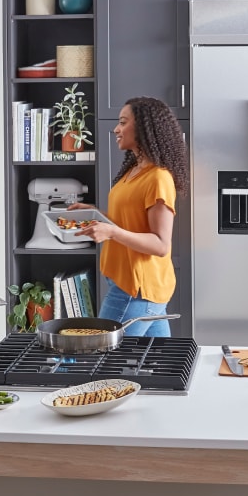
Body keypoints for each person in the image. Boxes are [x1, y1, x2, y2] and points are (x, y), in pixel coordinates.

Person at [69, 96, 189, 336]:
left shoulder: (157, 177)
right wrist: (96, 214)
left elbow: (160, 244)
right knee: (154, 366)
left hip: (135, 290)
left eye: (123, 122)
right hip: (135, 287)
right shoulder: (133, 172)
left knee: (104, 361)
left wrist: (111, 231)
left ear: (145, 127)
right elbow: (130, 222)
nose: (116, 129)